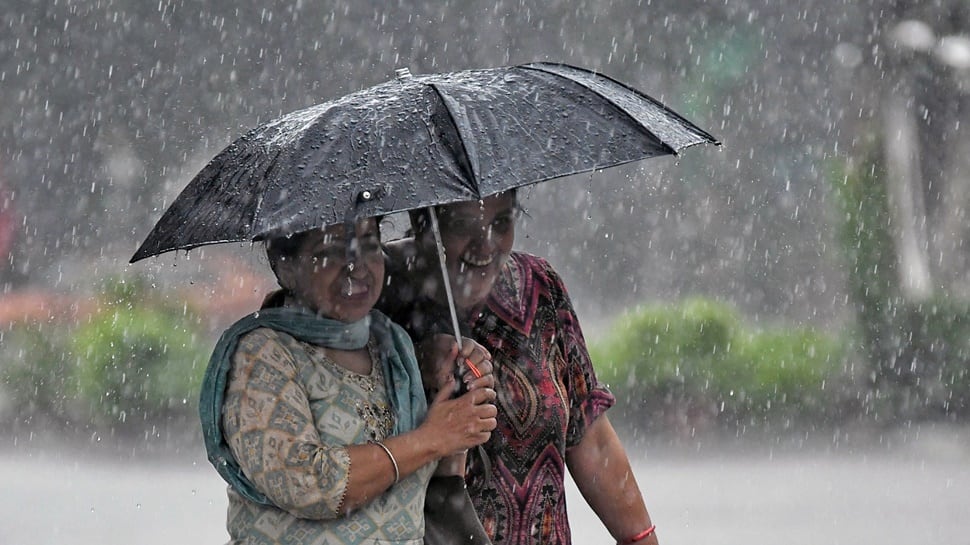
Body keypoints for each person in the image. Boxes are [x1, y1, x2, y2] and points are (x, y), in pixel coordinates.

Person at [377, 190, 660, 545]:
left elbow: (591, 436)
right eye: (463, 225)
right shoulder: (370, 295)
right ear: (424, 223)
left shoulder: (539, 286)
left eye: (501, 223)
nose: (486, 246)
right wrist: (415, 362)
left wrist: (641, 539)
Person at [199, 216, 499, 545]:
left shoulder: (394, 348)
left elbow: (435, 484)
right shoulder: (262, 354)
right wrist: (432, 438)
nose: (356, 266)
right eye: (331, 250)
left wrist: (457, 380)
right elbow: (307, 484)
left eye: (369, 245)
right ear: (285, 267)